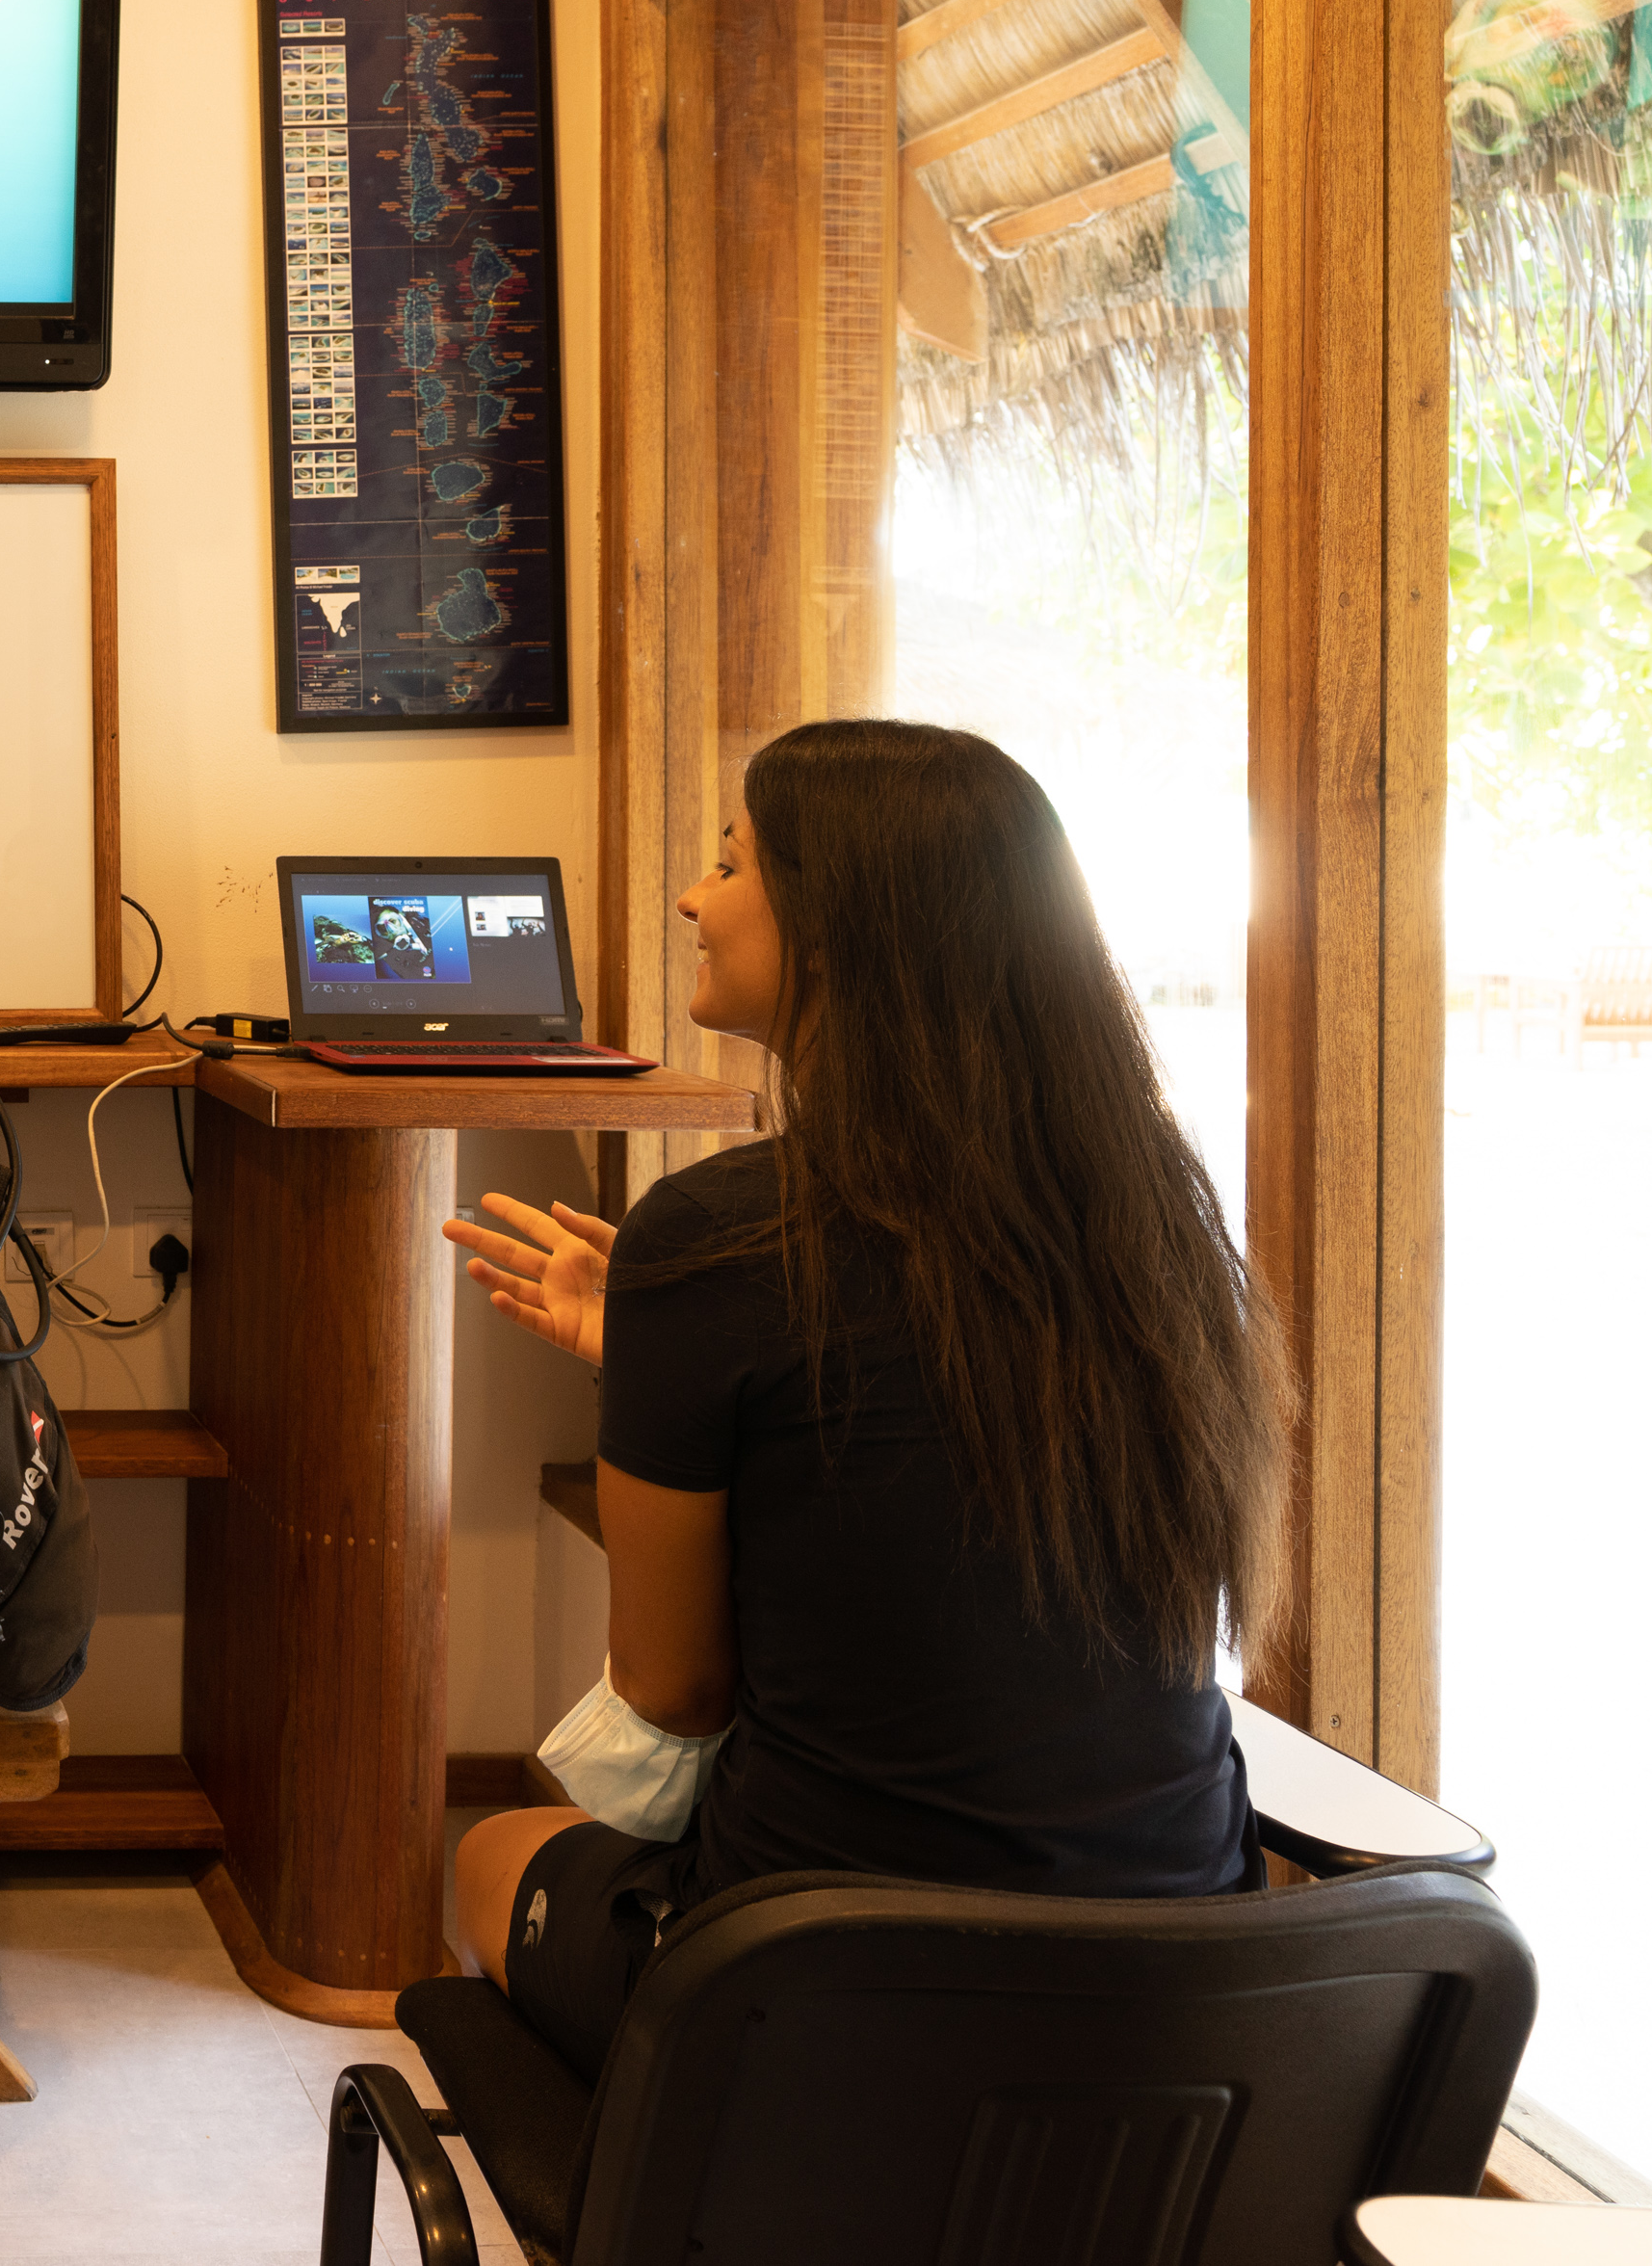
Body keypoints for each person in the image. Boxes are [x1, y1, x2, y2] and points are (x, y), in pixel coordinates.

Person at [441, 719, 1287, 2083]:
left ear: (835, 929)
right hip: (1177, 1980)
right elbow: (914, 1449)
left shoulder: (721, 1235)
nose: (691, 897)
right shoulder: (1152, 1231)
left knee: (492, 1852)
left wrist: (667, 1334)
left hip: (818, 1976)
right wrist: (645, 1351)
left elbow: (675, 1691)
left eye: (729, 864)